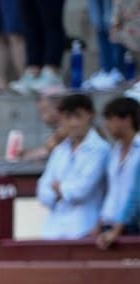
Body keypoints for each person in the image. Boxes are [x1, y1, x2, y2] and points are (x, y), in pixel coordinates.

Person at [37, 92, 109, 238]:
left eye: (77, 116)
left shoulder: (100, 149)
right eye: (68, 117)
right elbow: (42, 190)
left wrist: (59, 188)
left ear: (90, 115)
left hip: (85, 228)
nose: (73, 123)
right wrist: (60, 191)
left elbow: (81, 190)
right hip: (52, 230)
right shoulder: (60, 150)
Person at [96, 96, 139, 248]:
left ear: (126, 119)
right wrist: (100, 224)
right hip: (111, 224)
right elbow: (113, 191)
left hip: (132, 227)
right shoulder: (114, 151)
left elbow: (137, 194)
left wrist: (117, 229)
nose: (107, 125)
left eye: (110, 119)